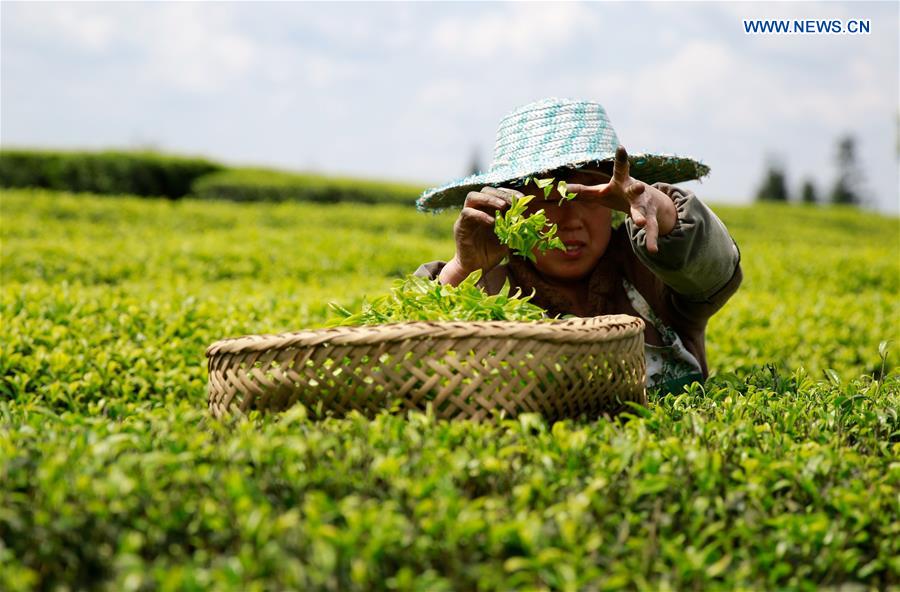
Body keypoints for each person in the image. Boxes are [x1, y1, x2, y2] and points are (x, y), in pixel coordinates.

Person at [414, 98, 742, 393]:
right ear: (513, 208)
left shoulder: (650, 268)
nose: (571, 220)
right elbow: (415, 352)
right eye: (549, 200)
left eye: (589, 196)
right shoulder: (491, 286)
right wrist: (463, 268)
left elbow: (715, 271)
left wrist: (665, 211)